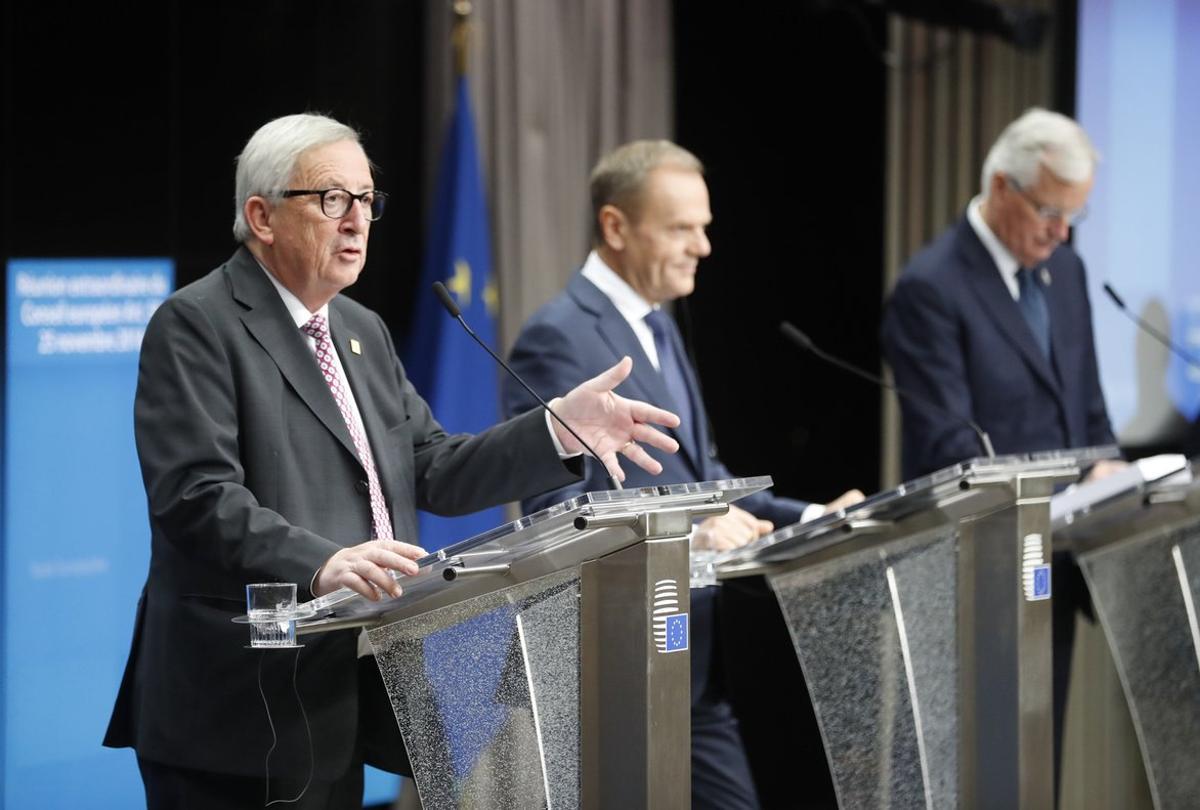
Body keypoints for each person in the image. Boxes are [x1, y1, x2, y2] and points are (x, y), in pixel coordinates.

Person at [103, 113, 682, 809]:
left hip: (331, 695)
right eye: (330, 199)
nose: (356, 220)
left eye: (367, 200)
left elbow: (433, 466)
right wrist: (320, 562)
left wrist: (556, 431)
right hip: (236, 707)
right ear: (261, 215)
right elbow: (195, 496)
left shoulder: (359, 331)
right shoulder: (197, 324)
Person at [502, 139, 862, 810]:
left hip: (688, 661)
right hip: (614, 667)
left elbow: (704, 477)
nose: (703, 246)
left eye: (704, 227)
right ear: (616, 227)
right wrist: (688, 536)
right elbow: (558, 511)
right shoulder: (559, 336)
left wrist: (811, 519)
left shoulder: (658, 328)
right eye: (681, 228)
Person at [880, 107, 1122, 800]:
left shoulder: (1067, 273)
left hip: (1053, 567)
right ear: (1001, 186)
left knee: (1031, 775)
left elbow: (1089, 412)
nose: (1061, 231)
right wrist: (1079, 475)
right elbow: (949, 450)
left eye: (1075, 215)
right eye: (1049, 210)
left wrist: (1110, 471)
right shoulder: (932, 289)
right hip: (967, 578)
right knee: (954, 780)